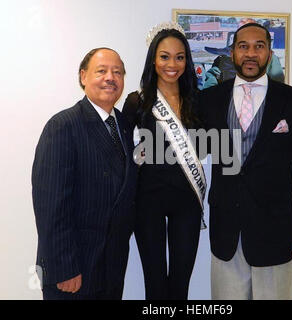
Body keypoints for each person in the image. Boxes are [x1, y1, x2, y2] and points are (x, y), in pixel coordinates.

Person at [197, 23, 292, 299]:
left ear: (269, 53)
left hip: (277, 235)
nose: (251, 53)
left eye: (259, 46)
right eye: (243, 46)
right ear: (233, 53)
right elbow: (192, 149)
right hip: (226, 235)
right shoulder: (209, 100)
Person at [32, 47, 138, 300]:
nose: (110, 77)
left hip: (111, 269)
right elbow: (50, 206)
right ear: (83, 76)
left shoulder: (125, 126)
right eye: (101, 71)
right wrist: (64, 268)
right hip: (73, 272)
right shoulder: (63, 126)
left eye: (117, 72)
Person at [122, 22, 206, 300]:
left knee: (180, 285)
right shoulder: (137, 101)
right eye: (164, 56)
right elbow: (124, 154)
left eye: (180, 57)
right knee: (155, 286)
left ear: (187, 60)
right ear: (153, 59)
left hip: (187, 204)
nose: (172, 64)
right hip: (147, 202)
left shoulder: (197, 101)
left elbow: (206, 148)